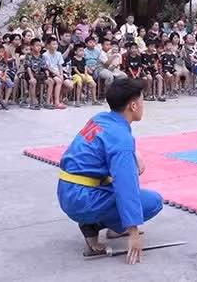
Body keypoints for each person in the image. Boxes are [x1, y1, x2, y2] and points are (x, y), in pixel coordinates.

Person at [57, 78, 163, 263]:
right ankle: (94, 224)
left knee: (126, 175)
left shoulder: (100, 119)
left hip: (68, 191)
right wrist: (133, 230)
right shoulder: (121, 138)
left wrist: (133, 153)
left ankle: (112, 227)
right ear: (133, 106)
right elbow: (126, 186)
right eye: (142, 100)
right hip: (83, 199)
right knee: (153, 201)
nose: (143, 104)